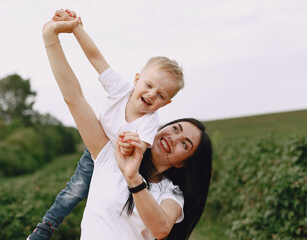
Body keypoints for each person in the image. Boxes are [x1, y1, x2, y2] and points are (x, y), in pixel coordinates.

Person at [28, 10, 212, 240]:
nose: (173, 139)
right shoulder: (108, 156)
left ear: (183, 162)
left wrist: (133, 177)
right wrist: (51, 38)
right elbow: (74, 97)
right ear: (137, 79)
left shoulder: (171, 194)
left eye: (184, 144)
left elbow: (161, 229)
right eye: (176, 129)